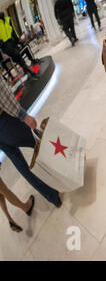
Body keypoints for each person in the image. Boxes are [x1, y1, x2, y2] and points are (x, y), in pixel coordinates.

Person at [0, 77, 62, 209]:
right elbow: (2, 92)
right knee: (39, 143)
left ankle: (51, 196)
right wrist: (23, 115)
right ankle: (66, 172)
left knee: (21, 165)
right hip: (5, 121)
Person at [0, 12, 39, 81]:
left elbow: (13, 31)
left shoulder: (8, 19)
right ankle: (30, 72)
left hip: (11, 42)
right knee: (17, 54)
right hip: (4, 45)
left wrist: (19, 41)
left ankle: (31, 62)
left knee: (24, 47)